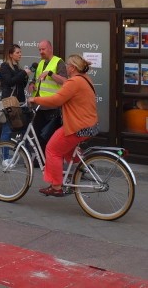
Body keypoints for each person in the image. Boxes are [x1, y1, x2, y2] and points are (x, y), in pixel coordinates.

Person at [29, 54, 99, 197]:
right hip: (88, 124)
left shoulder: (74, 82)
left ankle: (56, 186)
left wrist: (35, 99)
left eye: (67, 65)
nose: (66, 67)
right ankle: (83, 169)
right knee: (67, 150)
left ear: (72, 68)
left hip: (77, 126)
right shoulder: (86, 79)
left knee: (52, 149)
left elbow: (57, 100)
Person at [31, 40, 68, 154]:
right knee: (38, 135)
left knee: (50, 137)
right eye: (39, 50)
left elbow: (64, 81)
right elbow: (35, 79)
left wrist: (51, 74)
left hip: (53, 108)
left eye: (43, 49)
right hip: (39, 106)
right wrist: (31, 84)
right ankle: (39, 160)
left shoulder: (58, 62)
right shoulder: (41, 63)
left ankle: (51, 160)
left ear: (50, 49)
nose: (41, 52)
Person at [0, 44, 30, 163]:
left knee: (23, 130)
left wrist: (26, 77)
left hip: (20, 102)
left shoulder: (18, 68)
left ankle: (25, 157)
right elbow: (9, 82)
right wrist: (23, 74)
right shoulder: (5, 66)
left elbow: (21, 85)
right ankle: (5, 158)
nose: (20, 54)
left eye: (20, 52)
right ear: (11, 54)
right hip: (9, 102)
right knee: (7, 129)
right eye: (17, 52)